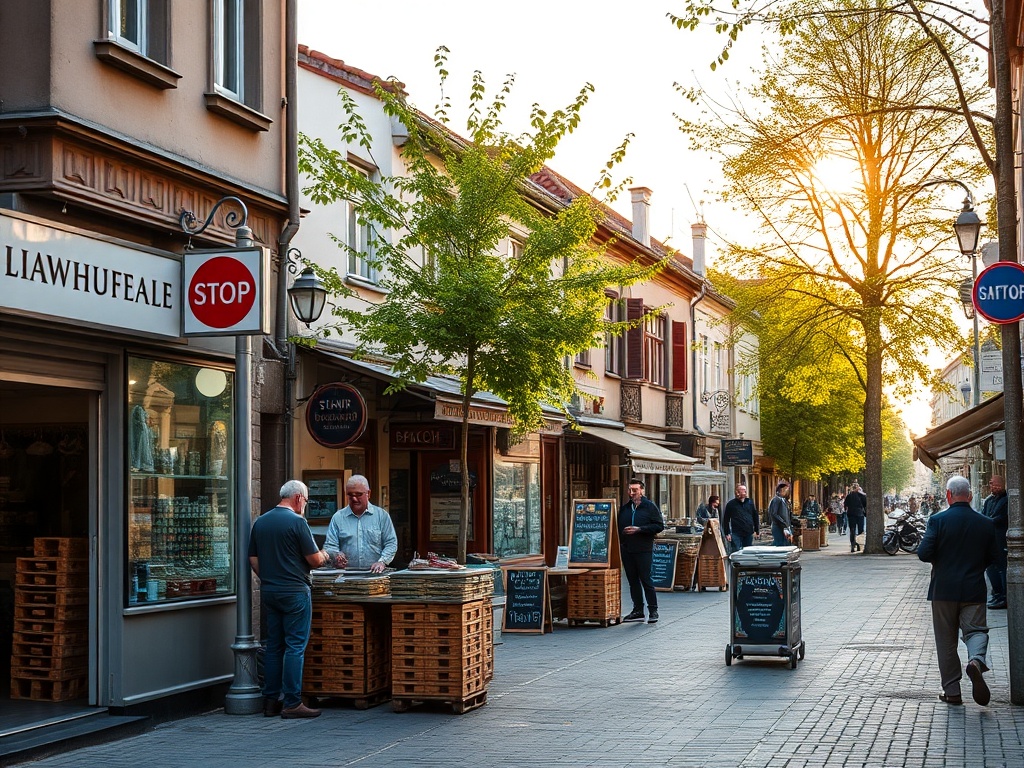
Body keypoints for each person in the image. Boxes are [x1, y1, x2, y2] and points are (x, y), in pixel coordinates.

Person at [248, 479, 342, 719]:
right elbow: (314, 560)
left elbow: (253, 559)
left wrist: (268, 578)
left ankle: (270, 701)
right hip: (295, 591)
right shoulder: (297, 522)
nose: (305, 506)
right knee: (295, 647)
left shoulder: (261, 521)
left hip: (270, 591)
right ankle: (292, 702)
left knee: (274, 647)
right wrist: (327, 554)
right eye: (306, 501)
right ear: (299, 498)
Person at [918, 475, 1000, 706]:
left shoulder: (937, 520)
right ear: (970, 496)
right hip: (973, 589)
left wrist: (941, 561)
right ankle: (975, 661)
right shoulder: (986, 523)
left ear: (948, 495)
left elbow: (923, 553)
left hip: (943, 590)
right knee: (976, 631)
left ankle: (952, 691)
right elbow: (994, 557)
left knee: (946, 641)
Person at [325, 475, 399, 573]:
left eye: (358, 494)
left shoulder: (381, 516)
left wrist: (382, 562)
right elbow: (330, 546)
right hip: (346, 576)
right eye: (350, 495)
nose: (354, 499)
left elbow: (391, 543)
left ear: (368, 493)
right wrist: (336, 556)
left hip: (375, 575)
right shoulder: (338, 518)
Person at [618, 479, 665, 623]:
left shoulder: (649, 507)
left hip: (644, 549)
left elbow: (659, 526)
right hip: (627, 549)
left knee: (646, 580)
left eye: (635, 490)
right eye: (630, 490)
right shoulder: (625, 508)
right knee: (632, 581)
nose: (632, 493)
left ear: (642, 491)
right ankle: (638, 610)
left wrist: (640, 529)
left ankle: (653, 610)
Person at [982, 476, 1008, 610]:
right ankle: (997, 593)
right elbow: (984, 515)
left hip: (1000, 539)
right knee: (991, 567)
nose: (991, 486)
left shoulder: (1007, 500)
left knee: (1002, 567)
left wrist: (986, 521)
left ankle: (1004, 596)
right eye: (990, 484)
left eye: (994, 484)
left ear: (1001, 485)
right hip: (990, 540)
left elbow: (1001, 518)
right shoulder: (989, 500)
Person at [722, 485, 759, 552]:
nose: (738, 493)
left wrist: (757, 530)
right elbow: (726, 519)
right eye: (737, 491)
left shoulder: (750, 503)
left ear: (745, 492)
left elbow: (755, 516)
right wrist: (727, 533)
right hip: (736, 532)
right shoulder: (731, 504)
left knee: (748, 551)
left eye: (740, 491)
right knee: (736, 551)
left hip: (748, 532)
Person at [844, 482, 868, 552]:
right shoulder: (862, 495)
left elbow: (846, 504)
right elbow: (865, 504)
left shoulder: (849, 496)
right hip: (860, 514)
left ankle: (853, 544)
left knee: (852, 529)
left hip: (851, 514)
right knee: (860, 530)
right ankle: (859, 544)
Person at [767, 481, 792, 546]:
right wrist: (784, 525)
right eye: (786, 489)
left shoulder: (783, 500)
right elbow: (774, 514)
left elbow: (786, 515)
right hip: (778, 527)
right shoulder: (776, 500)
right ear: (781, 490)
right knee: (780, 545)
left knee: (784, 544)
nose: (787, 492)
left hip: (783, 527)